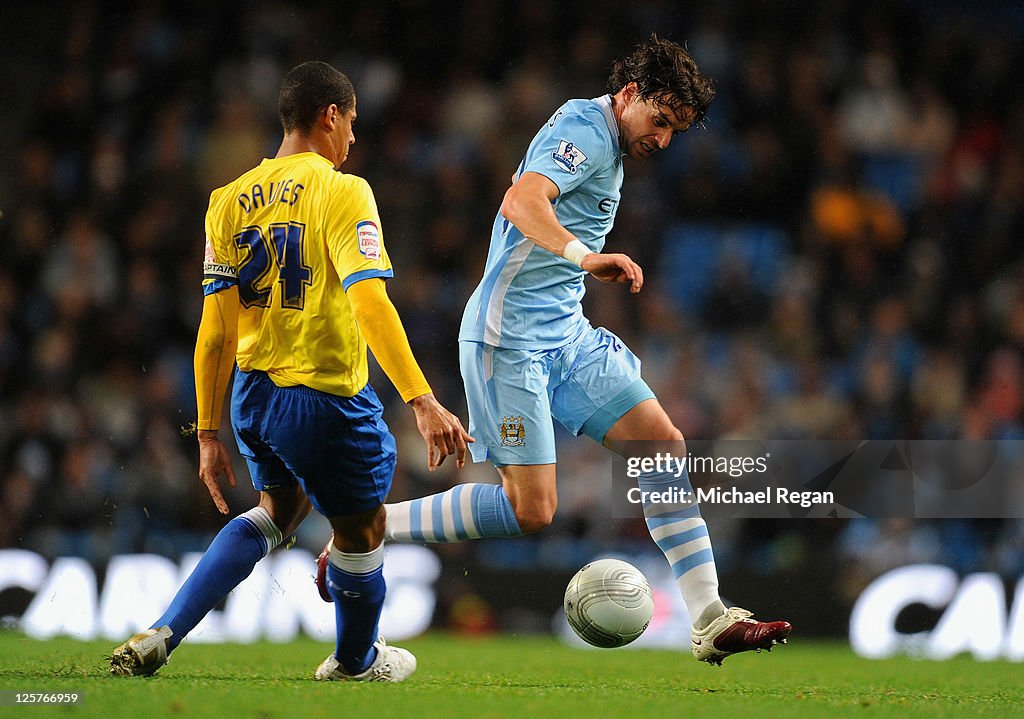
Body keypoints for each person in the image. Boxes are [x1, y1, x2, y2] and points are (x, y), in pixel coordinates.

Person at [318, 35, 791, 666]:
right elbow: (521, 200)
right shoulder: (584, 127)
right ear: (629, 95)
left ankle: (708, 617)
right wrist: (584, 256)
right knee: (532, 509)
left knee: (661, 442)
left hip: (564, 334)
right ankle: (364, 528)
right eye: (659, 121)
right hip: (507, 338)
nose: (664, 140)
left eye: (676, 129)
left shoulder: (613, 146)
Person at [109, 61, 472, 682]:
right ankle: (356, 661)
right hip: (324, 396)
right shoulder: (343, 190)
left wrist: (206, 431)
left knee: (278, 509)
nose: (353, 139)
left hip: (253, 397)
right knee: (363, 530)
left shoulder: (226, 202)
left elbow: (216, 331)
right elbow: (369, 301)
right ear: (331, 115)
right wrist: (420, 399)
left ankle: (162, 631)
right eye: (351, 122)